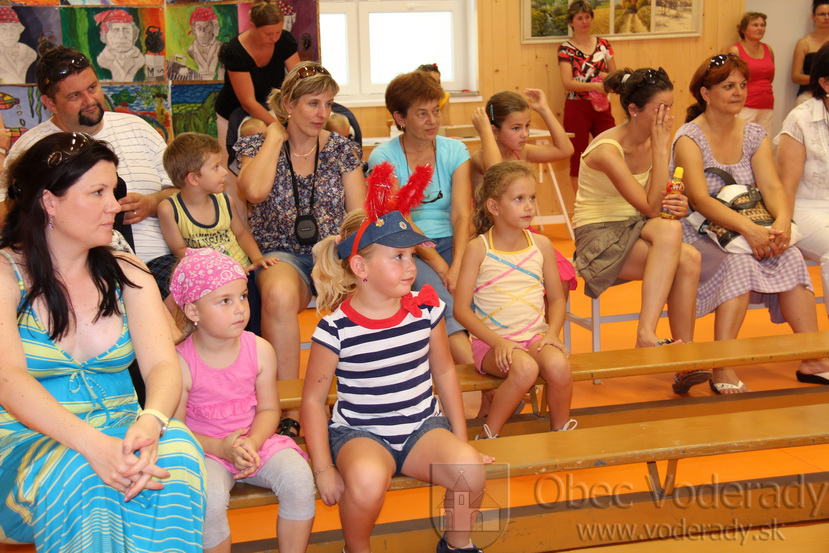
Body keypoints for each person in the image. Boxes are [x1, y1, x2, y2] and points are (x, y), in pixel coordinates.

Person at [0, 132, 206, 551]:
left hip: (125, 433)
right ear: (49, 201)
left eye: (113, 191)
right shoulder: (7, 275)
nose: (114, 205)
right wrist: (94, 446)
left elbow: (162, 366)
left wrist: (150, 424)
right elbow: (9, 379)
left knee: (179, 452)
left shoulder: (127, 271)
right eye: (97, 192)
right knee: (87, 476)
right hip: (27, 448)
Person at [302, 207, 490, 553]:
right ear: (361, 267)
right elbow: (313, 401)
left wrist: (462, 441)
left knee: (470, 470)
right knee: (367, 481)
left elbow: (444, 371)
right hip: (361, 433)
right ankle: (356, 549)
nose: (410, 266)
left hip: (422, 427)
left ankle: (457, 545)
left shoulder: (426, 310)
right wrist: (323, 468)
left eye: (412, 255)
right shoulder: (336, 328)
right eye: (397, 257)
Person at [673, 53, 829, 394]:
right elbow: (699, 199)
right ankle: (723, 364)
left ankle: (813, 358)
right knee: (740, 263)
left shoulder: (754, 133)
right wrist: (750, 230)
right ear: (706, 93)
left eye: (742, 85)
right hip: (701, 231)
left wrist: (782, 222)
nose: (739, 92)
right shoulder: (689, 137)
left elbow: (771, 186)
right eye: (728, 86)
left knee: (790, 255)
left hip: (749, 224)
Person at [235, 62, 364, 433]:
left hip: (333, 251)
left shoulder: (342, 149)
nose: (323, 113)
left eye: (328, 104)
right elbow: (253, 191)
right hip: (280, 252)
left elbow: (357, 215)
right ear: (289, 105)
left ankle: (350, 401)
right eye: (312, 103)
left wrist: (344, 253)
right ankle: (288, 409)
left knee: (366, 290)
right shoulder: (258, 145)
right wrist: (275, 137)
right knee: (277, 293)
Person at [2, 46, 177, 298]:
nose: (89, 101)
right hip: (77, 272)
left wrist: (153, 203)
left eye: (93, 87)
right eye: (75, 95)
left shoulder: (139, 128)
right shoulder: (30, 148)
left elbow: (184, 190)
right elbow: (9, 215)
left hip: (160, 260)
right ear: (50, 103)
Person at [170, 248, 315, 553]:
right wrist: (221, 448)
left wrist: (253, 441)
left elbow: (269, 409)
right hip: (206, 450)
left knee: (299, 479)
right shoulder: (179, 362)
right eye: (225, 301)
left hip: (256, 441)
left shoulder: (259, 349)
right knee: (207, 498)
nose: (240, 309)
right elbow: (177, 430)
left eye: (243, 297)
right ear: (193, 311)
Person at [573, 67, 703, 392]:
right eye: (660, 108)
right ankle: (646, 334)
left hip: (637, 228)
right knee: (674, 239)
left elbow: (659, 202)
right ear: (634, 109)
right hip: (598, 237)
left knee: (689, 256)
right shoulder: (607, 150)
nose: (667, 116)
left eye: (670, 107)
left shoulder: (655, 141)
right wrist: (661, 151)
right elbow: (649, 206)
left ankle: (683, 358)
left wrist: (679, 204)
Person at [454, 161, 575, 439]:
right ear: (494, 207)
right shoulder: (478, 248)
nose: (529, 206)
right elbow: (461, 309)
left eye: (532, 198)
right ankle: (490, 434)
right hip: (491, 344)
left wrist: (552, 334)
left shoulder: (541, 245)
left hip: (534, 338)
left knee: (559, 365)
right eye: (519, 199)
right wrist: (498, 342)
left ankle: (560, 431)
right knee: (525, 369)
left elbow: (557, 300)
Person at [367, 70, 474, 366]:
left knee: (485, 290)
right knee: (440, 300)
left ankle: (499, 368)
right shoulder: (382, 157)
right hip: (409, 248)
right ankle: (483, 380)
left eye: (436, 111)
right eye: (422, 114)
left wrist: (458, 265)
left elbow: (461, 213)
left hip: (456, 242)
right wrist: (442, 267)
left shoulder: (456, 150)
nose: (433, 121)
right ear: (400, 118)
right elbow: (401, 219)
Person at [470, 88, 577, 298]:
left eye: (527, 126)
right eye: (516, 128)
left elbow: (565, 150)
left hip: (520, 232)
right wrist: (485, 132)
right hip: (492, 236)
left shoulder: (522, 152)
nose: (525, 134)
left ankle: (547, 319)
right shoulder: (479, 158)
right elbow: (497, 172)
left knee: (560, 276)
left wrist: (544, 110)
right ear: (494, 131)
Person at [158, 132, 277, 318]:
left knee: (250, 319)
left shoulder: (224, 201)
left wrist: (256, 258)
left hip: (241, 273)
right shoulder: (169, 209)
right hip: (206, 281)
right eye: (216, 167)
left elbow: (241, 234)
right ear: (193, 178)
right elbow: (180, 251)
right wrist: (214, 269)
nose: (224, 172)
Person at [777, 43, 829, 340]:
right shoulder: (801, 119)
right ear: (825, 83)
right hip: (805, 207)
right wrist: (783, 224)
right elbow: (786, 186)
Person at [216, 1, 299, 172]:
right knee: (235, 174)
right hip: (233, 113)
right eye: (268, 34)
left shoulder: (284, 41)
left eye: (278, 32)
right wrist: (278, 126)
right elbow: (248, 102)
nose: (274, 38)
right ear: (252, 26)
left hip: (270, 107)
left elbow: (299, 81)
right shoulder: (235, 52)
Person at [557, 0, 617, 193]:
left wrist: (603, 82)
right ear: (571, 22)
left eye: (587, 17)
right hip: (577, 107)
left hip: (602, 106)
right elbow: (567, 83)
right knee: (578, 156)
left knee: (611, 149)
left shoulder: (603, 45)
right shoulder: (565, 49)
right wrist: (595, 85)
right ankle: (579, 205)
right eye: (579, 18)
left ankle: (610, 198)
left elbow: (615, 77)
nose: (584, 21)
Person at [727, 12, 774, 135]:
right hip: (744, 105)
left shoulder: (768, 49)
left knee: (764, 141)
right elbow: (730, 79)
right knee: (743, 140)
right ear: (743, 29)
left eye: (762, 25)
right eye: (755, 25)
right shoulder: (735, 50)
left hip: (767, 104)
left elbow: (770, 77)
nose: (760, 28)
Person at [792, 0, 829, 106]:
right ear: (813, 16)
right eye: (822, 14)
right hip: (809, 96)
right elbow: (796, 76)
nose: (826, 17)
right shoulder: (804, 43)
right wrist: (822, 80)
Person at [95, 9, 144, 82]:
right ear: (105, 35)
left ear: (134, 35)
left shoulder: (140, 59)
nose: (121, 36)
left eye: (126, 31)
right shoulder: (102, 60)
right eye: (115, 30)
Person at [0, 8, 37, 85]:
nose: (9, 33)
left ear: (19, 30)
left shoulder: (30, 53)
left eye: (13, 29)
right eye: (3, 29)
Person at [188, 6, 223, 80]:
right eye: (199, 28)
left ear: (213, 27)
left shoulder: (220, 48)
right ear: (194, 30)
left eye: (206, 27)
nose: (203, 31)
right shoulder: (190, 50)